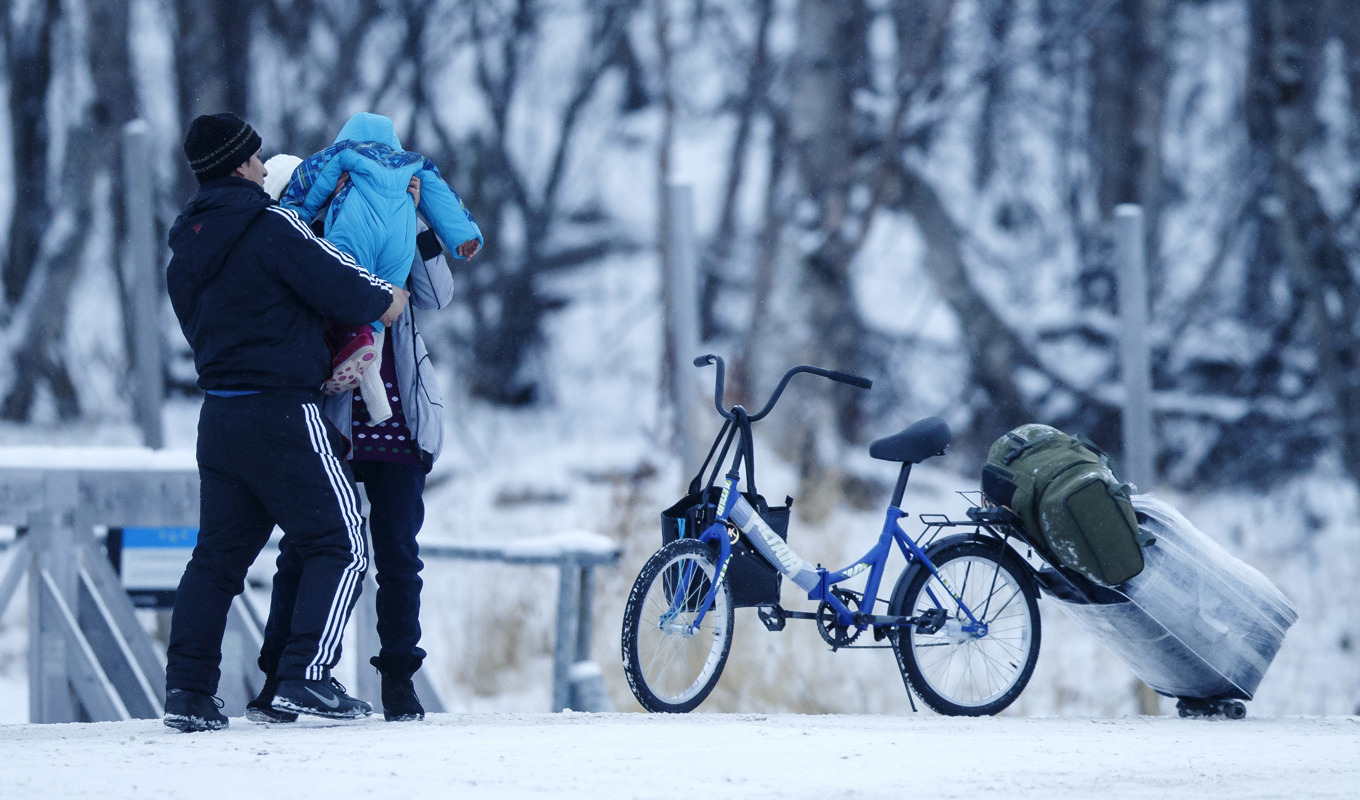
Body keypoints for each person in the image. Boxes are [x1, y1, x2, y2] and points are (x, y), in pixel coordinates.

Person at [162, 111, 410, 732]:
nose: (260, 165)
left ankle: (188, 692)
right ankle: (307, 676)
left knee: (217, 559)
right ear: (241, 165)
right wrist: (386, 298)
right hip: (282, 413)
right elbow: (340, 283)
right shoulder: (270, 226)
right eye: (254, 157)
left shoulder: (185, 250)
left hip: (219, 416)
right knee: (343, 542)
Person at [249, 151, 476, 724]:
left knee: (398, 555)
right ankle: (279, 679)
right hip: (335, 417)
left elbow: (438, 295)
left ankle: (399, 680)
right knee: (305, 549)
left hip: (401, 421)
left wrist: (419, 223)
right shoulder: (320, 235)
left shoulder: (401, 231)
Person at [279, 112, 482, 424]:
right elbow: (443, 195)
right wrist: (464, 235)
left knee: (350, 292)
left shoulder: (344, 154)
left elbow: (306, 186)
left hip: (355, 233)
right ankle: (368, 369)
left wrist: (292, 218)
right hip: (396, 242)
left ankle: (355, 352)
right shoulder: (410, 163)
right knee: (375, 302)